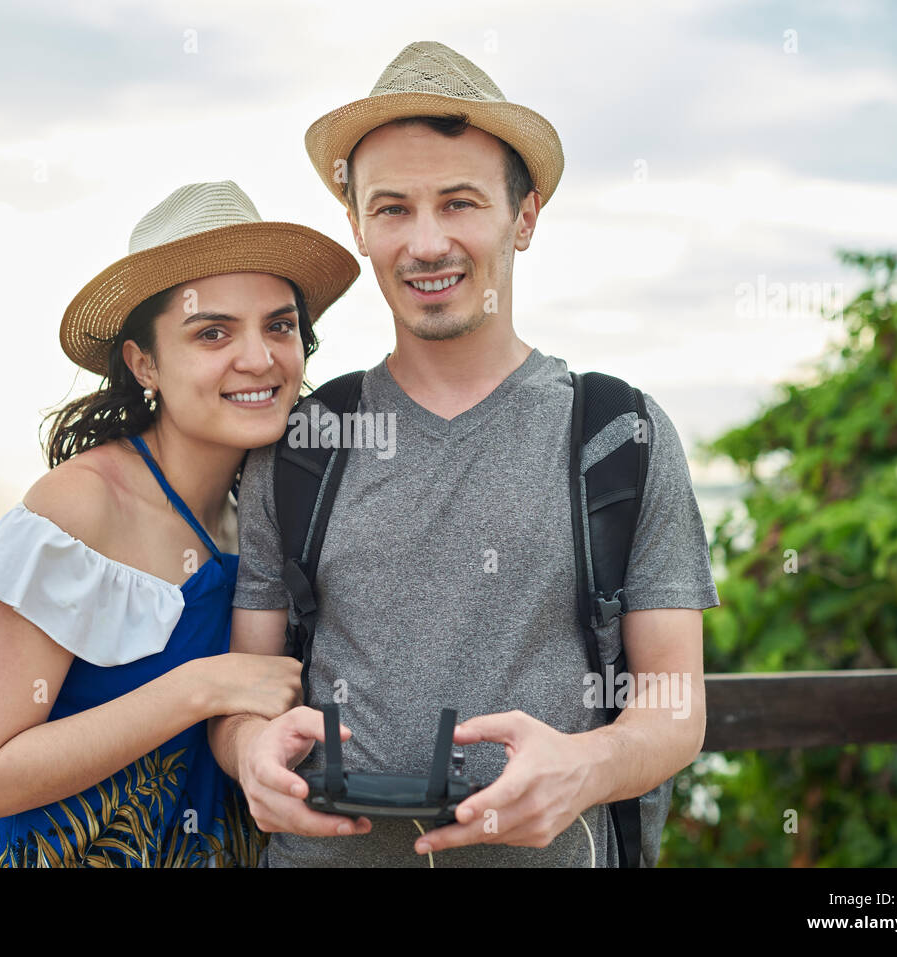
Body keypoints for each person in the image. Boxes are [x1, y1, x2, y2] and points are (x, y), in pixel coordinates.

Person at [209, 41, 721, 867]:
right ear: (357, 226)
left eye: (459, 203)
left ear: (525, 217)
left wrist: (584, 767)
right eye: (392, 209)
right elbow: (242, 690)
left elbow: (674, 705)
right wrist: (246, 752)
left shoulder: (619, 435)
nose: (426, 243)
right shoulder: (303, 442)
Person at [0, 180, 359, 867]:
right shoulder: (80, 508)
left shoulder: (274, 512)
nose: (259, 358)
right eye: (213, 332)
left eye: (279, 325)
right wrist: (202, 687)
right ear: (145, 363)